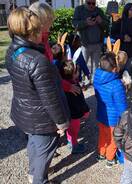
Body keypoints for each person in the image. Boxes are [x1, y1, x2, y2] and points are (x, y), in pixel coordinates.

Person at [5, 7, 70, 184]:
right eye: (40, 30)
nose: (43, 33)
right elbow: (50, 98)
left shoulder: (11, 51)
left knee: (34, 144)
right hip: (42, 117)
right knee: (44, 150)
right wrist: (62, 122)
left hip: (25, 112)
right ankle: (39, 180)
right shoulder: (37, 60)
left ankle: (33, 173)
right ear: (32, 33)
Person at [29, 2, 82, 96]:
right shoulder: (37, 44)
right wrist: (67, 86)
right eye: (50, 20)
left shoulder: (43, 38)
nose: (52, 23)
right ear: (43, 21)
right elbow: (48, 76)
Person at [93, 52, 127, 168]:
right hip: (113, 119)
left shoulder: (97, 78)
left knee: (102, 135)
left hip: (101, 114)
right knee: (113, 139)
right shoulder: (117, 84)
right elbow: (121, 105)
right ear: (114, 69)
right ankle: (109, 158)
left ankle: (101, 154)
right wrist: (125, 118)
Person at [72, 0, 109, 82]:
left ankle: (94, 81)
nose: (91, 5)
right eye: (89, 3)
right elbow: (74, 24)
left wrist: (101, 21)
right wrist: (86, 23)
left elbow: (107, 25)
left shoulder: (99, 11)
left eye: (93, 3)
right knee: (83, 64)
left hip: (97, 44)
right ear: (85, 2)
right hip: (84, 44)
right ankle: (83, 82)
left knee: (96, 66)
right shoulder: (79, 10)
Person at [60, 61, 90, 154]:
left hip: (66, 113)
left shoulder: (62, 85)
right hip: (75, 114)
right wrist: (86, 111)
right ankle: (74, 146)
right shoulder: (75, 87)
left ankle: (69, 140)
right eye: (77, 72)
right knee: (74, 130)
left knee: (69, 129)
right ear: (73, 75)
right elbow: (81, 101)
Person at [111, 3, 132, 74]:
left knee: (127, 72)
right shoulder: (119, 21)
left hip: (131, 50)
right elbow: (113, 34)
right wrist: (122, 37)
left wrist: (131, 39)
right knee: (118, 71)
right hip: (120, 50)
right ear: (126, 10)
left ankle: (126, 84)